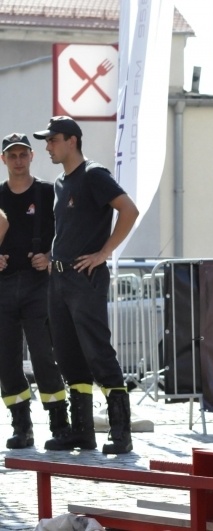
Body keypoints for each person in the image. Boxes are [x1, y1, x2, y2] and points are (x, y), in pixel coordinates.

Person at [33, 116, 140, 454]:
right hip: (59, 279)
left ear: (72, 141)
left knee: (97, 351)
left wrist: (104, 252)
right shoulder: (62, 184)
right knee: (67, 354)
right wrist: (51, 258)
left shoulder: (94, 175)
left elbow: (129, 210)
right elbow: (67, 230)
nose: (48, 146)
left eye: (52, 140)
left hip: (85, 278)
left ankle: (121, 431)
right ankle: (81, 430)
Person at [0, 132, 71, 450]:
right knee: (6, 360)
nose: (17, 160)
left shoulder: (46, 192)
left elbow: (67, 232)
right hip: (2, 287)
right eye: (11, 155)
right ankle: (21, 426)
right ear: (3, 160)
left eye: (22, 154)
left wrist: (51, 256)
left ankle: (60, 424)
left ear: (31, 156)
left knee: (44, 355)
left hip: (37, 285)